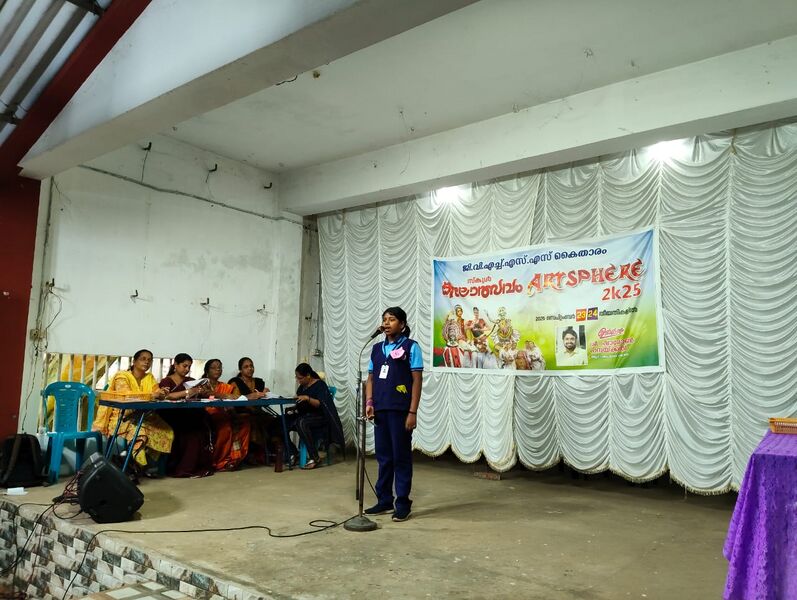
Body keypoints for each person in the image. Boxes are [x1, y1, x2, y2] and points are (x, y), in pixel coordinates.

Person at [365, 306, 423, 522]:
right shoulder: (376, 349)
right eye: (384, 319)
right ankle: (384, 500)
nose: (387, 323)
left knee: (401, 457)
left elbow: (417, 380)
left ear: (402, 324)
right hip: (380, 409)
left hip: (400, 410)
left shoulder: (411, 347)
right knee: (384, 457)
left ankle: (403, 503)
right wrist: (370, 402)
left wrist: (412, 412)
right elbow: (370, 378)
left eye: (392, 319)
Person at [92, 349, 171, 474]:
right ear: (134, 361)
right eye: (143, 359)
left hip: (143, 417)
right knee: (141, 433)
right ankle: (134, 466)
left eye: (149, 360)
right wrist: (152, 395)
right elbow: (127, 396)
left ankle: (141, 466)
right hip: (121, 418)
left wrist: (162, 393)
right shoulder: (122, 376)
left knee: (167, 432)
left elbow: (157, 392)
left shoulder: (149, 377)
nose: (146, 362)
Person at [158, 353, 214, 478]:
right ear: (175, 365)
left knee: (201, 429)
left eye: (189, 367)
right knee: (189, 434)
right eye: (184, 366)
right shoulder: (166, 381)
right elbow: (166, 396)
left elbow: (199, 396)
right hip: (172, 416)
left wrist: (201, 391)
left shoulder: (191, 381)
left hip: (189, 415)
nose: (187, 369)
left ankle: (198, 467)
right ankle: (182, 469)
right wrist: (188, 392)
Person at [228, 357, 280, 466]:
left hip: (257, 412)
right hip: (241, 413)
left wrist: (265, 394)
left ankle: (274, 452)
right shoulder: (235, 382)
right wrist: (250, 396)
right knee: (252, 422)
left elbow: (265, 402)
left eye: (251, 366)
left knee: (275, 420)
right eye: (246, 367)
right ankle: (250, 455)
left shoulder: (259, 382)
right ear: (240, 370)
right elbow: (234, 399)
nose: (250, 369)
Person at [201, 358, 252, 471]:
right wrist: (222, 395)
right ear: (207, 370)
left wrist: (233, 413)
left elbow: (231, 403)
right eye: (214, 368)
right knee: (225, 427)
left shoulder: (226, 387)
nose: (217, 370)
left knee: (245, 422)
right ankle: (219, 462)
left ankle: (234, 460)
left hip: (224, 413)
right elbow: (205, 396)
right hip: (207, 415)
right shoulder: (202, 385)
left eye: (219, 367)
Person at [287, 363, 332, 470]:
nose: (299, 381)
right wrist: (294, 407)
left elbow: (321, 404)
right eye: (297, 378)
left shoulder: (320, 385)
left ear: (308, 375)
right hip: (304, 415)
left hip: (319, 416)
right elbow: (300, 402)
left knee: (301, 422)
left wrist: (307, 398)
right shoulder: (302, 387)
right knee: (281, 421)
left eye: (300, 378)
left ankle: (314, 457)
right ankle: (293, 452)